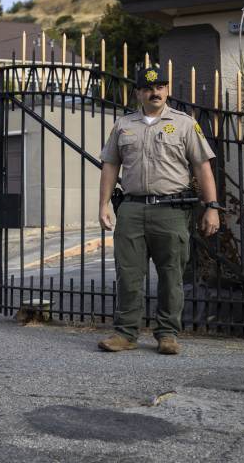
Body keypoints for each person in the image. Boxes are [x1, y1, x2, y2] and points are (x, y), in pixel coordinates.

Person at [96, 65, 222, 355]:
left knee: (171, 275)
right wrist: (103, 204)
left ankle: (167, 334)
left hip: (172, 211)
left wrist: (211, 207)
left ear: (167, 91)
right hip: (132, 209)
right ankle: (126, 334)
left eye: (161, 87)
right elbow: (111, 165)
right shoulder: (123, 125)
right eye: (149, 88)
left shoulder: (185, 124)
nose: (155, 92)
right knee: (128, 274)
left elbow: (202, 166)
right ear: (138, 93)